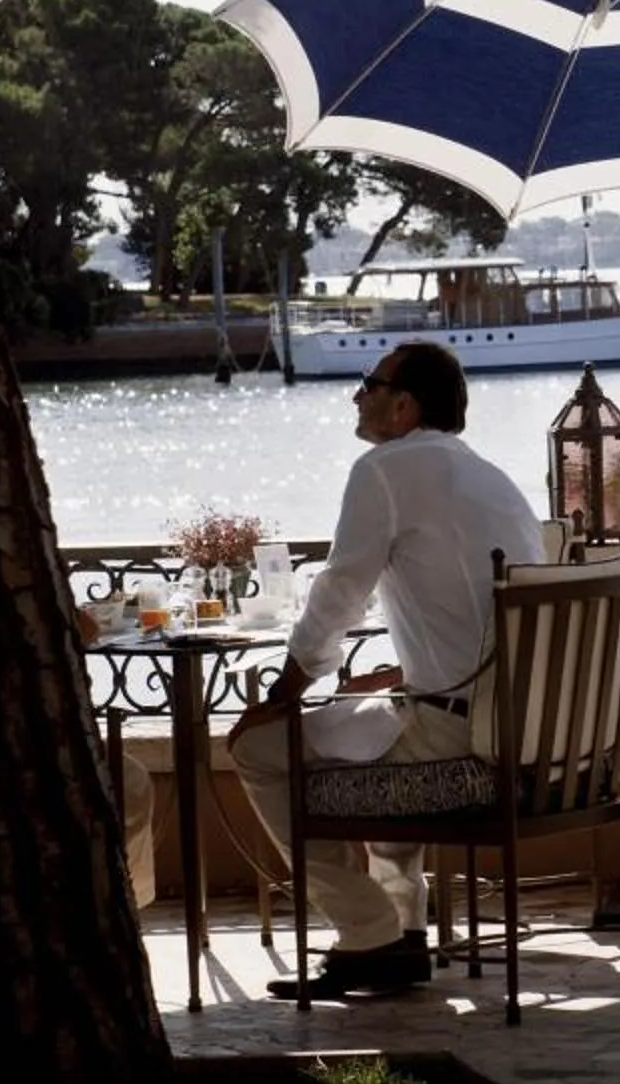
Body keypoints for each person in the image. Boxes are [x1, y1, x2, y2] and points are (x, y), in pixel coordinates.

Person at [228, 339, 547, 1000]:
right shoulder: (491, 478)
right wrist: (405, 672)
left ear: (403, 407)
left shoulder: (386, 470)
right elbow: (470, 618)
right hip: (524, 732)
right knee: (373, 724)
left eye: (368, 384)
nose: (356, 395)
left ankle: (366, 931)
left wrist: (285, 692)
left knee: (257, 747)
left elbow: (339, 593)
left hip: (457, 737)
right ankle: (401, 934)